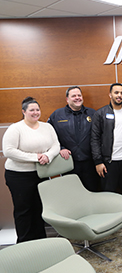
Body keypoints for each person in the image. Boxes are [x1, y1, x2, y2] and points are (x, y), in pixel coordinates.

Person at [3, 97, 60, 243]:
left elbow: (56, 146)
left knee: (39, 209)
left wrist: (47, 156)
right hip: (19, 176)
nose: (35, 112)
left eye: (37, 109)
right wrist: (35, 157)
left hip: (41, 174)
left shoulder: (47, 127)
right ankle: (25, 244)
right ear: (24, 112)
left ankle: (40, 241)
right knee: (24, 211)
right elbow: (9, 151)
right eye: (31, 110)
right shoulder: (16, 128)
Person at [91, 83, 122, 206]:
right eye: (116, 92)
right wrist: (98, 162)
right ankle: (110, 221)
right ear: (110, 94)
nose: (119, 95)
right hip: (108, 162)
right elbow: (94, 139)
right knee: (108, 194)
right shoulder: (100, 114)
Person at [48, 86, 99, 191]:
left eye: (79, 95)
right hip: (68, 163)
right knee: (71, 193)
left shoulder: (92, 113)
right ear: (67, 99)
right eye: (73, 96)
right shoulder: (57, 115)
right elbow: (48, 136)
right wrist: (60, 148)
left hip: (90, 164)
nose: (77, 98)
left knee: (92, 192)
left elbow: (99, 136)